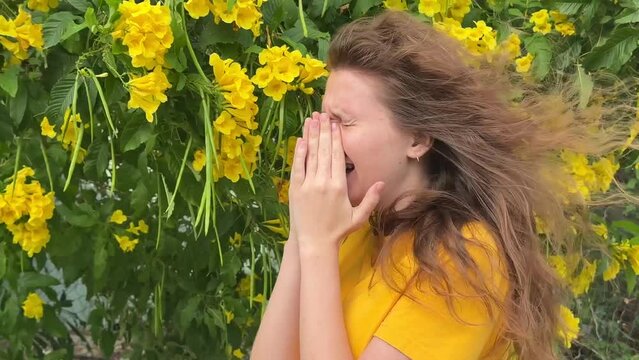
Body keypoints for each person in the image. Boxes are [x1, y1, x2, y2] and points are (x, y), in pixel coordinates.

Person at [251, 10, 631, 360]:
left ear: (417, 139)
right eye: (323, 119)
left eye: (343, 122)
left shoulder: (464, 259)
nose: (323, 138)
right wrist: (302, 237)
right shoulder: (351, 229)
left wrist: (316, 246)